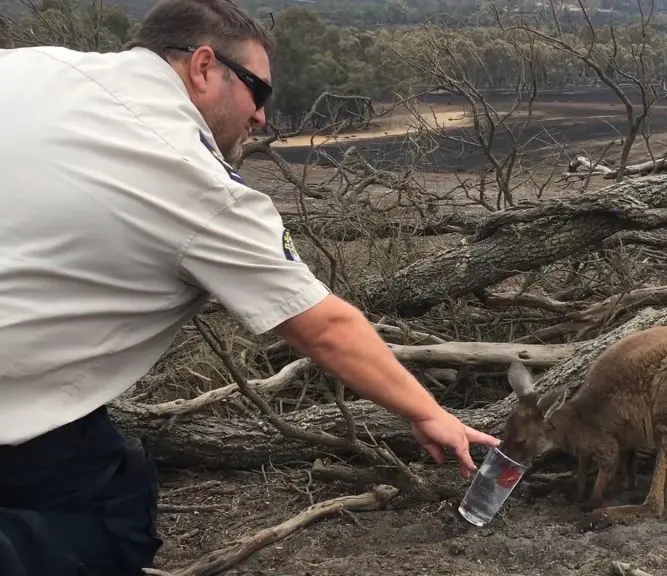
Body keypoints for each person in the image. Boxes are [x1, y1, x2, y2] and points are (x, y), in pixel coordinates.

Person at [0, 0, 500, 574]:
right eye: (258, 92)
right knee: (111, 524)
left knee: (104, 462)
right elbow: (324, 326)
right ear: (204, 66)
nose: (262, 117)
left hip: (32, 401)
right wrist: (428, 412)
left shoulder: (33, 66)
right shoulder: (188, 174)